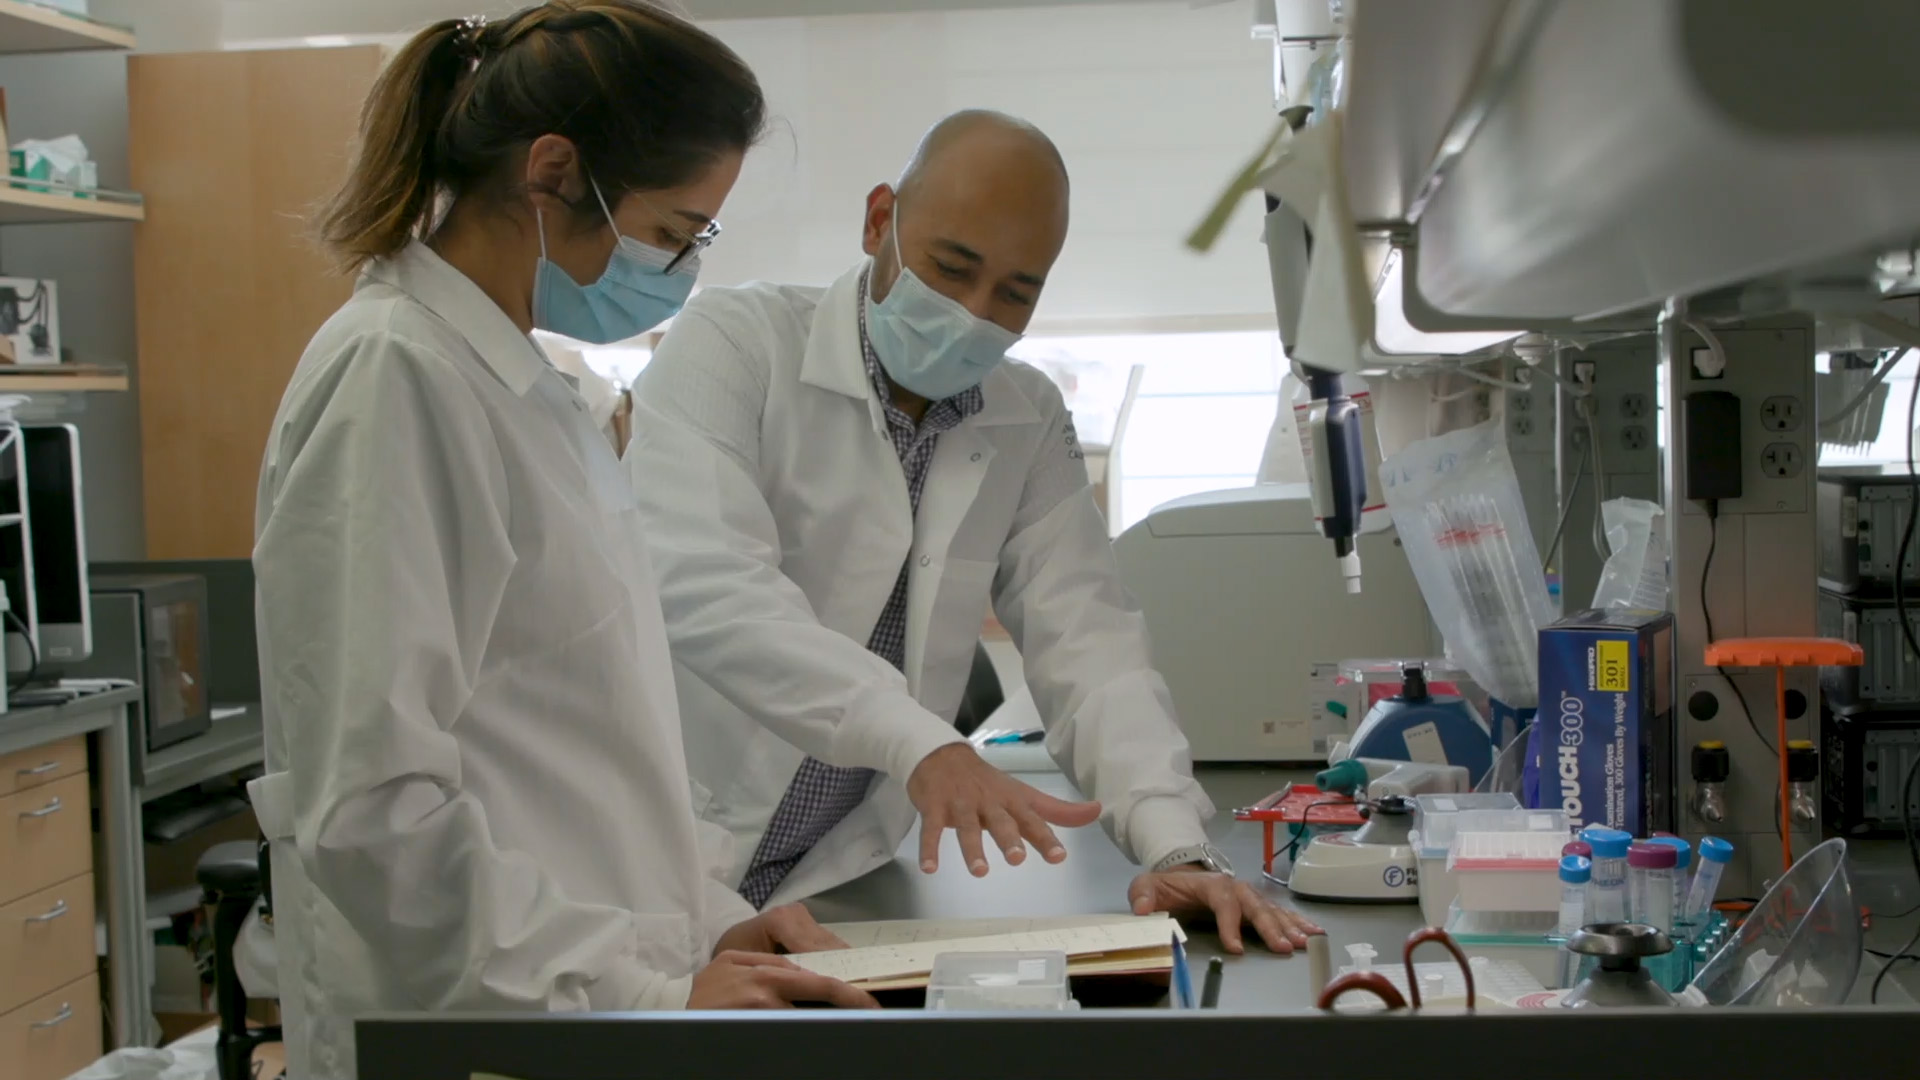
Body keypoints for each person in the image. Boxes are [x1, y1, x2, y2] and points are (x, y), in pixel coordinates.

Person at [249, 5, 873, 1077]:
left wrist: (710, 923)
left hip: (592, 996)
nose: (678, 270)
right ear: (551, 171)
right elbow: (373, 809)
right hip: (485, 1023)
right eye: (672, 233)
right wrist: (638, 991)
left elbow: (586, 746)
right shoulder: (394, 381)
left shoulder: (533, 394)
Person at [624, 110, 1320, 954]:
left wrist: (1177, 843)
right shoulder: (735, 343)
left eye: (1016, 292)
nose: (973, 312)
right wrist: (920, 742)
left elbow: (1088, 641)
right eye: (951, 268)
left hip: (830, 872)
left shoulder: (1025, 415)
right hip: (654, 856)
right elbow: (706, 584)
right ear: (881, 218)